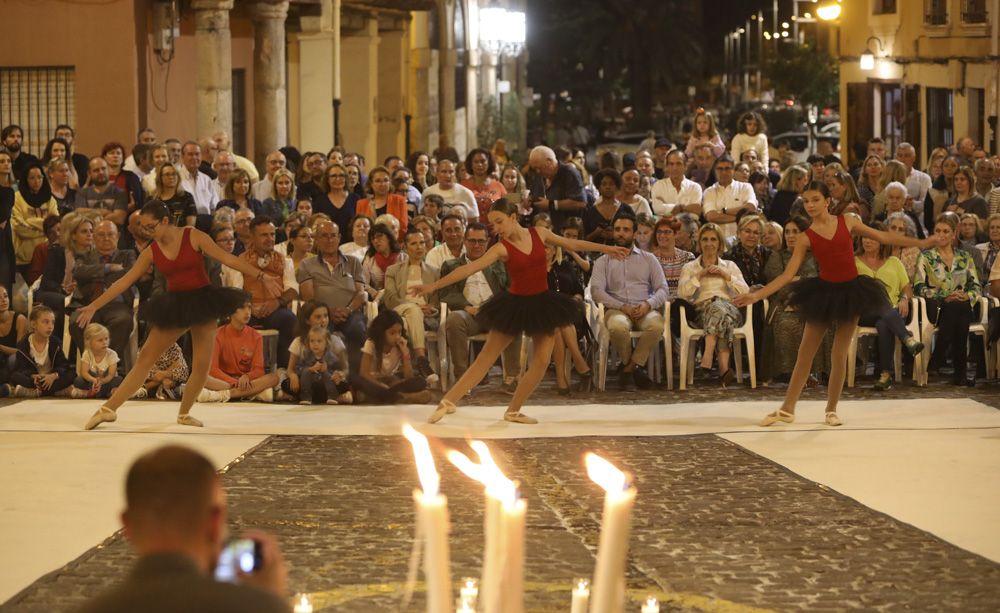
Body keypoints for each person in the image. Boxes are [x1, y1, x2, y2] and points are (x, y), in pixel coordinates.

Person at [736, 182, 942, 426]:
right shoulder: (805, 237)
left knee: (839, 353)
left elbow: (884, 236)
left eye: (815, 200)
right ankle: (787, 408)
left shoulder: (849, 221)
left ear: (827, 201)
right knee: (805, 353)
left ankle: (831, 409)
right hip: (822, 293)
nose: (810, 205)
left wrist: (921, 243)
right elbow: (787, 275)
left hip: (851, 292)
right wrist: (756, 296)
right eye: (806, 201)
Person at [413, 199, 627, 424]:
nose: (495, 228)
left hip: (543, 303)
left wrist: (608, 249)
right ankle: (447, 402)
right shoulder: (501, 248)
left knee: (542, 360)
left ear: (513, 218)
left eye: (499, 222)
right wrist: (432, 286)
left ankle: (513, 410)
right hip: (514, 305)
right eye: (492, 224)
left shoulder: (540, 233)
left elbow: (572, 244)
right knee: (486, 357)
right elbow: (469, 268)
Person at [79, 200, 259, 430]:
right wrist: (94, 305)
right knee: (145, 358)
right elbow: (124, 281)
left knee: (202, 365)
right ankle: (107, 409)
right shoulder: (151, 251)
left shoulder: (193, 236)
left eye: (151, 226)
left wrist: (260, 276)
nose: (147, 231)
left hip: (203, 301)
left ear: (165, 221)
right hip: (175, 305)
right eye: (143, 228)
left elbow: (229, 259)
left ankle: (184, 413)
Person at [76, 445, 290, 613]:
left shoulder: (93, 609)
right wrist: (272, 598)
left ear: (127, 526)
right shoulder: (253, 607)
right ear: (214, 523)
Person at [437, 222, 522, 393]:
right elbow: (445, 293)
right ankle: (462, 378)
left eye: (481, 241)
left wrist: (494, 307)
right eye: (472, 241)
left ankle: (511, 377)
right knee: (454, 319)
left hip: (494, 315)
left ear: (488, 242)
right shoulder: (452, 265)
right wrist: (467, 307)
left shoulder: (500, 264)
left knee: (514, 317)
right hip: (469, 315)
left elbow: (511, 289)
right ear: (465, 241)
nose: (477, 245)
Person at [589, 215, 668, 391]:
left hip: (644, 308)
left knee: (656, 325)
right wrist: (621, 306)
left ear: (634, 234)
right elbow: (597, 291)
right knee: (617, 327)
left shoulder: (649, 259)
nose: (621, 234)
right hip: (617, 309)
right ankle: (634, 369)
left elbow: (663, 289)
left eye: (626, 230)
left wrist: (648, 304)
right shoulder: (603, 261)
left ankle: (628, 369)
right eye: (617, 230)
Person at [914, 214, 982, 386]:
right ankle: (960, 373)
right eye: (937, 231)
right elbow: (919, 286)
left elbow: (976, 286)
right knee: (957, 308)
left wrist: (968, 295)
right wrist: (944, 296)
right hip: (938, 306)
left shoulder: (965, 257)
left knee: (959, 306)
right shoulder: (926, 257)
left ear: (953, 235)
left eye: (946, 231)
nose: (941, 235)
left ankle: (939, 357)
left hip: (962, 306)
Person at [678, 223, 749, 386]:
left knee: (719, 306)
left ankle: (708, 354)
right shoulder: (690, 267)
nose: (709, 243)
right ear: (699, 243)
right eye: (705, 239)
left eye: (713, 239)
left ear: (719, 243)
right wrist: (699, 275)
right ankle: (724, 368)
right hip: (701, 313)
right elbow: (682, 293)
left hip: (730, 309)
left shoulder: (730, 266)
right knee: (718, 310)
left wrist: (726, 276)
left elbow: (744, 291)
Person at [855, 224, 924, 391]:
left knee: (884, 324)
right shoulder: (853, 261)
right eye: (864, 237)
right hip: (864, 311)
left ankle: (886, 375)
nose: (867, 241)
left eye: (871, 237)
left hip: (892, 312)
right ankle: (907, 339)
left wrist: (904, 299)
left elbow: (906, 288)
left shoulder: (894, 262)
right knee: (883, 308)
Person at [759, 217, 825, 385]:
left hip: (814, 302)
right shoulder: (777, 256)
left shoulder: (817, 255)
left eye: (796, 231)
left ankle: (815, 371)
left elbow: (821, 281)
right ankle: (792, 373)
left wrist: (797, 279)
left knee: (822, 322)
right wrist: (798, 285)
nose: (790, 235)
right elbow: (776, 282)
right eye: (787, 232)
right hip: (783, 303)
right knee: (787, 323)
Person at [296, 220, 368, 374]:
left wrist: (347, 310)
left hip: (349, 312)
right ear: (316, 239)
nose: (329, 240)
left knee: (357, 328)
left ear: (339, 238)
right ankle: (324, 376)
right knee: (318, 332)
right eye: (324, 236)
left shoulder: (354, 262)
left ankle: (356, 377)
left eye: (333, 236)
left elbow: (361, 293)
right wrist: (328, 312)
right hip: (320, 314)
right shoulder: (307, 264)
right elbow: (308, 296)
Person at [68, 221, 137, 366]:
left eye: (110, 234)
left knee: (123, 321)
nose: (106, 238)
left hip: (117, 305)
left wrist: (94, 273)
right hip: (87, 304)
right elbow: (79, 272)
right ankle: (91, 364)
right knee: (77, 322)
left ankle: (110, 365)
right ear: (94, 237)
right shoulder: (84, 255)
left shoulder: (128, 254)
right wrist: (108, 268)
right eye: (101, 234)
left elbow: (130, 274)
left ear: (117, 236)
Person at [383, 229, 440, 380]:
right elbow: (390, 298)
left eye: (422, 243)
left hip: (421, 317)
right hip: (399, 311)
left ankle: (404, 369)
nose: (419, 247)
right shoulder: (393, 270)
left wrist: (431, 308)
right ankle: (422, 359)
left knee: (406, 324)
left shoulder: (434, 271)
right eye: (414, 244)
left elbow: (436, 299)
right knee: (413, 310)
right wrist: (412, 305)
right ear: (405, 247)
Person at [200, 297, 280, 402]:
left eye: (249, 307)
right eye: (242, 308)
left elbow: (259, 370)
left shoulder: (256, 336)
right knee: (203, 378)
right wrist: (234, 382)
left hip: (246, 381)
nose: (247, 312)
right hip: (225, 381)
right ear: (230, 311)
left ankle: (222, 395)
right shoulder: (217, 334)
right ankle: (252, 393)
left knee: (274, 378)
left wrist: (247, 376)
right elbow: (213, 369)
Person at [353, 310, 433, 404]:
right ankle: (405, 397)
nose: (397, 336)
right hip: (373, 382)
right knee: (361, 387)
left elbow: (408, 377)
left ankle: (393, 397)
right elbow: (364, 373)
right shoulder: (371, 343)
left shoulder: (400, 346)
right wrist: (382, 385)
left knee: (420, 382)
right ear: (382, 332)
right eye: (392, 333)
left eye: (399, 332)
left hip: (390, 382)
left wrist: (405, 354)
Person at [8, 304, 73, 398]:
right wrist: (32, 376)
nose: (50, 326)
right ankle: (56, 392)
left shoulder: (55, 343)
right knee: (15, 376)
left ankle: (35, 392)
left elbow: (62, 365)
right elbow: (22, 369)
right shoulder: (24, 344)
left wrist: (54, 375)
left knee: (71, 374)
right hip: (35, 380)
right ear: (33, 324)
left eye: (52, 322)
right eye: (45, 322)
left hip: (51, 378)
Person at [525, 146, 586, 231]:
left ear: (549, 161)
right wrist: (529, 200)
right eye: (535, 168)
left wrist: (551, 204)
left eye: (539, 168)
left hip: (566, 234)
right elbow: (535, 195)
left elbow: (580, 202)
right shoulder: (540, 176)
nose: (537, 171)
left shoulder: (569, 173)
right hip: (543, 232)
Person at [702, 155, 758, 243]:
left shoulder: (745, 187)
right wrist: (740, 218)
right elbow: (711, 216)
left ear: (733, 171)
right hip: (717, 241)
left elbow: (750, 208)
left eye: (727, 168)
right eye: (720, 169)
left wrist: (724, 211)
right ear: (715, 171)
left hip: (741, 241)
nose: (723, 172)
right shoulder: (709, 191)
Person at [296, 325, 352, 405]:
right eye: (312, 341)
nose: (315, 344)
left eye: (319, 341)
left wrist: (329, 371)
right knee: (305, 372)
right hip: (311, 385)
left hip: (326, 386)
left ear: (326, 343)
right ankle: (306, 397)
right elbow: (298, 368)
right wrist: (310, 369)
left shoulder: (331, 356)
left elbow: (339, 371)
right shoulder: (307, 355)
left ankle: (332, 396)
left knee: (328, 375)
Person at [71, 322, 122, 399]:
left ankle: (92, 392)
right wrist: (93, 380)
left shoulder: (112, 354)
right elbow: (83, 372)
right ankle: (106, 392)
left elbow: (111, 375)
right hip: (92, 381)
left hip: (107, 381)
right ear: (89, 342)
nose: (104, 342)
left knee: (119, 380)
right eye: (100, 340)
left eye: (106, 339)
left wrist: (101, 381)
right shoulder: (87, 353)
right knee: (78, 381)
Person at [584, 169, 634, 246]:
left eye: (611, 184)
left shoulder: (626, 209)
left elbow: (634, 235)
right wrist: (596, 233)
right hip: (595, 254)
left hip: (621, 253)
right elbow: (583, 239)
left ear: (617, 187)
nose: (607, 187)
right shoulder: (591, 212)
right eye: (604, 184)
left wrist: (615, 234)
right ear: (599, 187)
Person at [356, 166, 408, 236]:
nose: (382, 184)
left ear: (390, 183)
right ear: (371, 184)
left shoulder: (399, 200)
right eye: (378, 181)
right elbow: (360, 228)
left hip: (394, 242)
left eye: (386, 180)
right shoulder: (361, 204)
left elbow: (403, 227)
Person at [461, 148, 507, 223]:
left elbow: (507, 209)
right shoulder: (463, 186)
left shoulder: (498, 186)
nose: (479, 164)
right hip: (470, 232)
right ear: (471, 164)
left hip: (496, 232)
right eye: (476, 162)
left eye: (483, 161)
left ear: (489, 163)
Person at [179, 141, 219, 217]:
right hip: (186, 222)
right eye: (190, 154)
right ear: (182, 157)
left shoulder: (206, 179)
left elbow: (214, 206)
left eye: (197, 154)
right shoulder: (177, 179)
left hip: (206, 223)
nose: (194, 157)